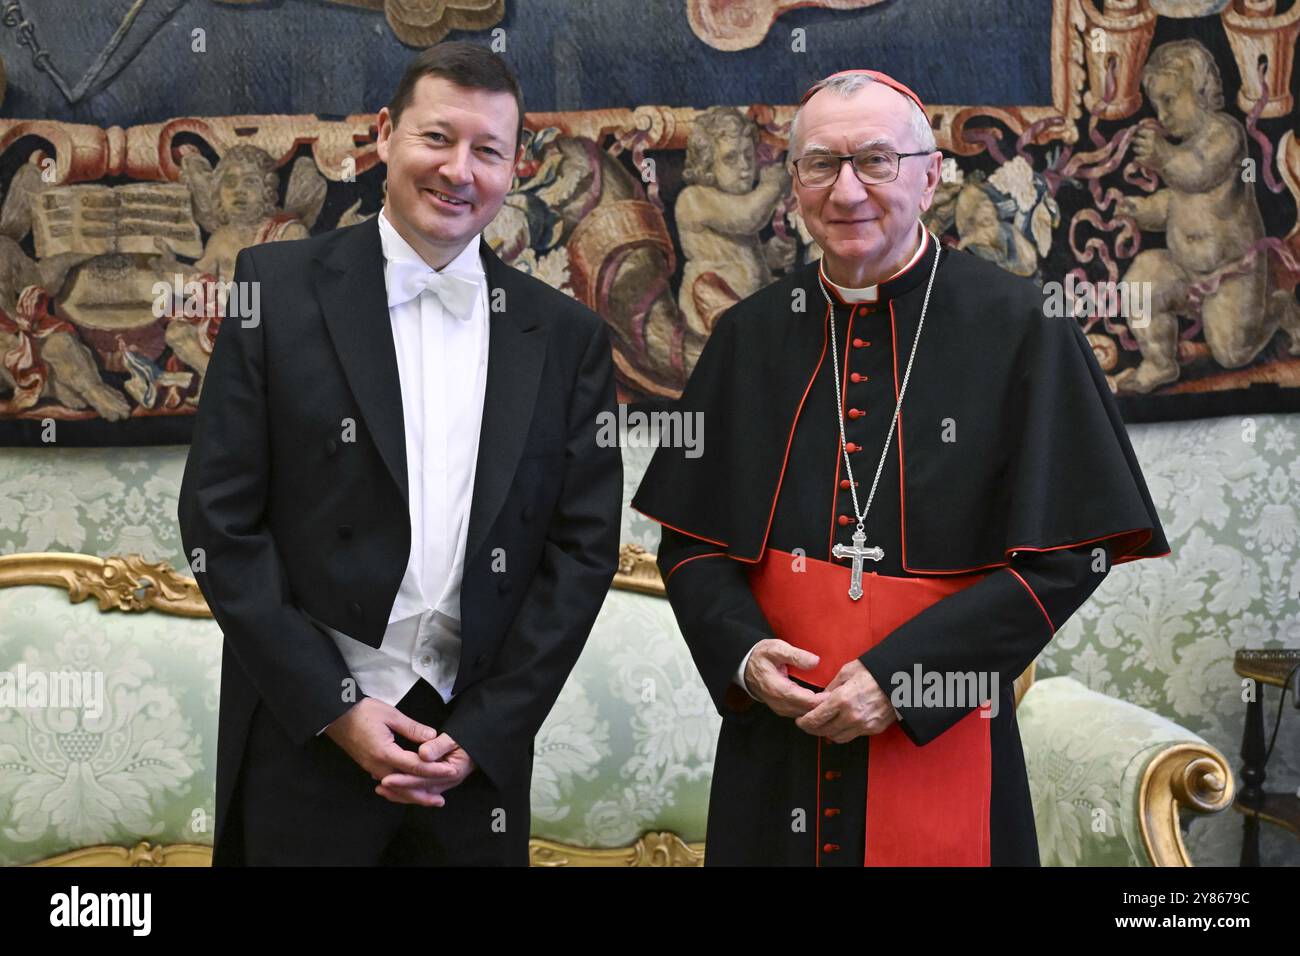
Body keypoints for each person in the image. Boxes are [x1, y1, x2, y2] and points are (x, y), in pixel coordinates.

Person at [631, 69, 1169, 866]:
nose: (847, 190)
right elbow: (692, 544)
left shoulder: (1022, 325)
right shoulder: (749, 338)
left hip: (945, 732)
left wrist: (906, 679)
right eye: (821, 164)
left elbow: (1068, 556)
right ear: (795, 184)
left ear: (930, 176)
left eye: (876, 161)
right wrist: (745, 653)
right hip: (781, 742)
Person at [178, 42, 622, 866]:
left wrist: (487, 730)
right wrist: (337, 706)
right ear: (384, 134)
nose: (460, 170)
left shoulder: (567, 338)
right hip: (304, 735)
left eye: (488, 150)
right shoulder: (272, 290)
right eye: (437, 139)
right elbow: (219, 520)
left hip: (471, 757)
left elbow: (583, 548)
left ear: (513, 166)